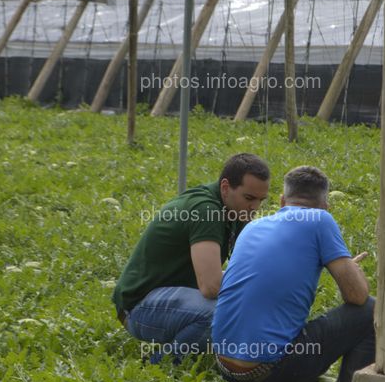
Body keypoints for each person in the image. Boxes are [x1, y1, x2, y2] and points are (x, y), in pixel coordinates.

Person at [211, 165, 375, 382]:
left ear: (281, 201)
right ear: (326, 205)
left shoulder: (253, 227)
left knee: (284, 333)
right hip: (270, 369)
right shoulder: (320, 220)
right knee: (371, 311)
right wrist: (353, 270)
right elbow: (358, 296)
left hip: (223, 362)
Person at [113, 153, 270, 361]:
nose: (255, 207)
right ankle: (163, 363)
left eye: (261, 200)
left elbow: (249, 268)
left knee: (246, 304)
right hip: (139, 308)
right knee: (220, 313)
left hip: (171, 298)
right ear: (225, 188)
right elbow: (211, 286)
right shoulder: (205, 211)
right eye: (249, 198)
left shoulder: (235, 210)